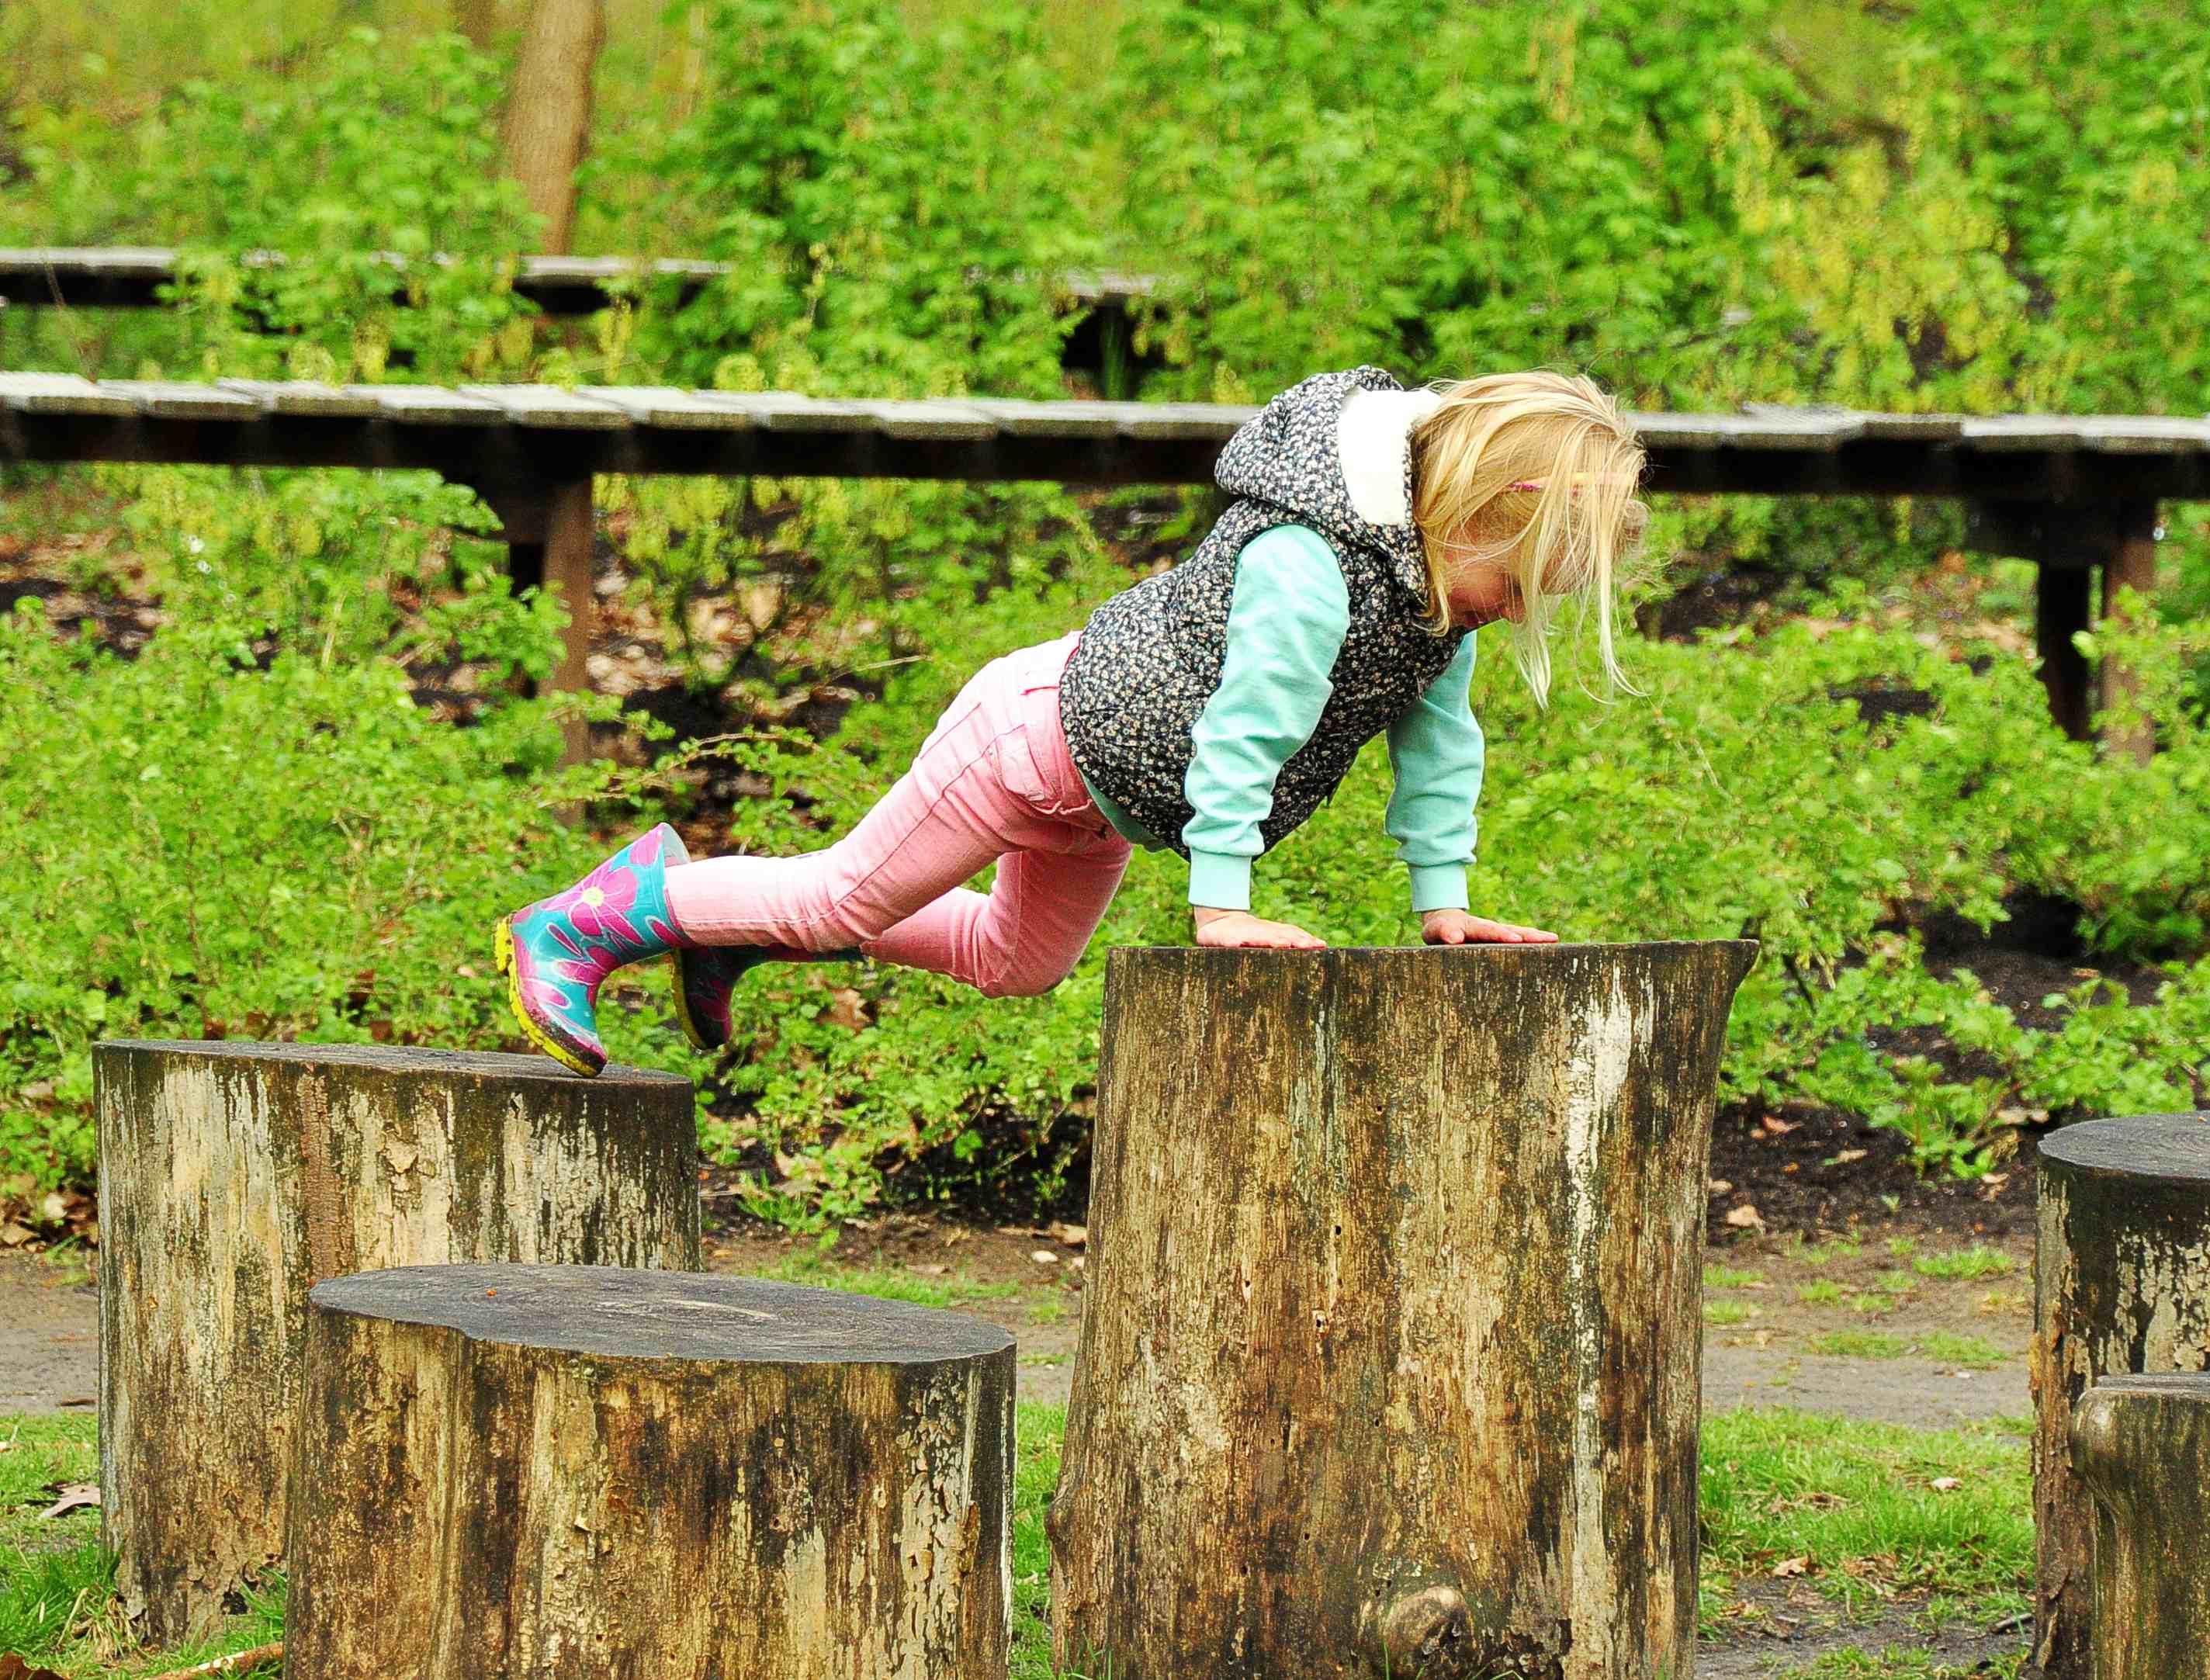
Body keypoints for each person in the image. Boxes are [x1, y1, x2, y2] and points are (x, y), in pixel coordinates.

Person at [494, 364, 1654, 1076]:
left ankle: (730, 918)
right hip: (1029, 740)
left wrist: (1443, 904)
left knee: (1018, 964)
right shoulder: (1313, 569)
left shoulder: (1432, 608)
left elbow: (1442, 748)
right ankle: (586, 916)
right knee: (843, 896)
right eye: (1531, 580)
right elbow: (1247, 727)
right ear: (1491, 510)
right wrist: (1225, 906)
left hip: (1101, 800)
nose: (1521, 612)